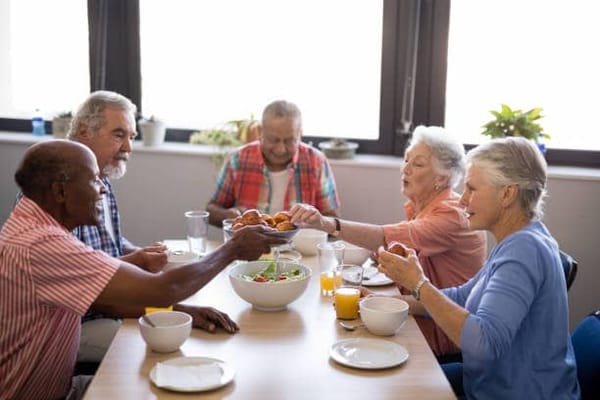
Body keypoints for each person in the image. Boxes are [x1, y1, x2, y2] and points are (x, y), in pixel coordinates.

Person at [0, 140, 285, 399]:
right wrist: (232, 249)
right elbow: (163, 290)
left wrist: (179, 311)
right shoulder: (43, 244)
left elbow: (115, 298)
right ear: (60, 191)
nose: (102, 188)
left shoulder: (38, 228)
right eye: (94, 179)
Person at [376, 137, 580, 399]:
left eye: (471, 189)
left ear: (507, 194)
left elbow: (484, 344)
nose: (462, 201)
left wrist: (419, 284)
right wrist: (389, 300)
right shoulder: (519, 240)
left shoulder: (524, 251)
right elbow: (462, 297)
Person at [66, 91, 240, 367]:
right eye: (118, 134)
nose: (128, 148)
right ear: (85, 132)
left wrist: (139, 253)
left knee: (184, 330)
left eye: (131, 137)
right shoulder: (62, 192)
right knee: (169, 346)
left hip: (110, 305)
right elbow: (96, 295)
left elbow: (108, 244)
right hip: (79, 323)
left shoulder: (101, 179)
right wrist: (178, 310)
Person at [290, 126, 487, 359]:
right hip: (418, 317)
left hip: (440, 337)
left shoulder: (452, 215)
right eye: (406, 160)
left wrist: (327, 223)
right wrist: (379, 300)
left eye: (418, 164)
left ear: (442, 178)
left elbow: (383, 236)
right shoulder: (422, 208)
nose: (406, 169)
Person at [206, 99, 341, 228]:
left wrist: (317, 221)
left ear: (300, 134)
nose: (280, 149)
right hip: (249, 248)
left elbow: (333, 221)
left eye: (289, 141)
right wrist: (228, 215)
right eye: (273, 140)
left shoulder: (316, 162)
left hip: (300, 249)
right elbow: (212, 210)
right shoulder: (237, 159)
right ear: (260, 132)